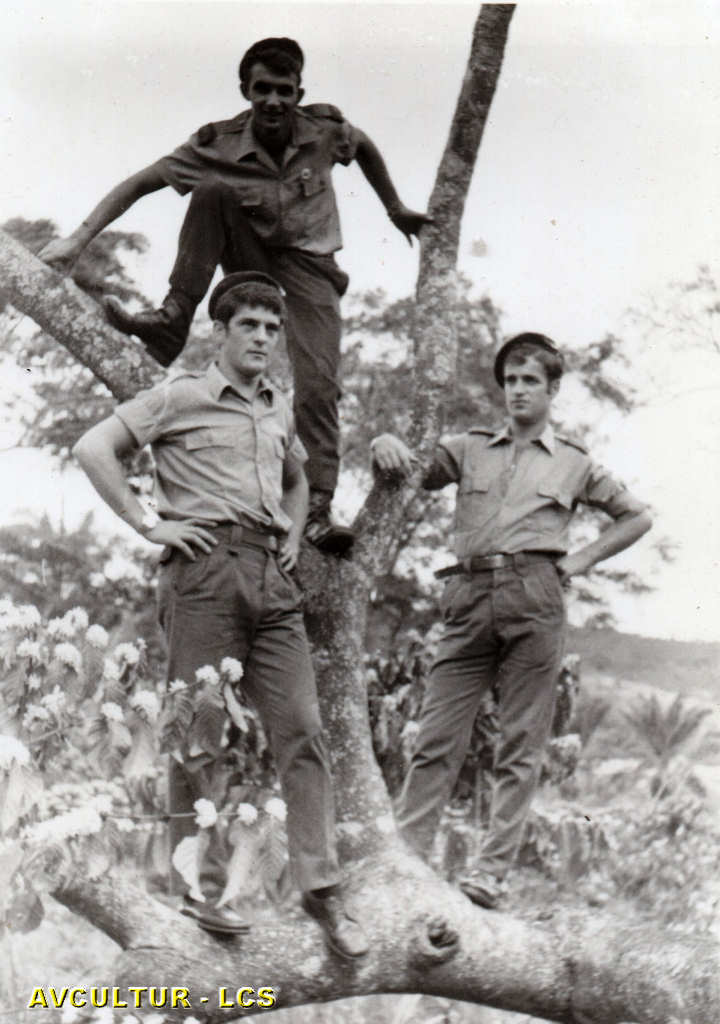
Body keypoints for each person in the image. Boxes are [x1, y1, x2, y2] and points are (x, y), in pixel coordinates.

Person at [72, 271, 368, 957]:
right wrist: (147, 524)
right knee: (198, 731)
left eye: (272, 327)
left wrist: (292, 533)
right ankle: (201, 889)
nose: (263, 338)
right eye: (249, 326)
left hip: (273, 578)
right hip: (203, 571)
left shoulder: (277, 405)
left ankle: (321, 888)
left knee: (303, 728)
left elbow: (295, 477)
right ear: (220, 332)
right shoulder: (181, 395)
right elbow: (93, 448)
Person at [42, 36, 431, 555]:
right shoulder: (218, 143)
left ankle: (316, 509)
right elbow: (140, 183)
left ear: (299, 93)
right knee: (211, 192)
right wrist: (77, 241)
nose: (273, 101)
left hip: (311, 269)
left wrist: (395, 208)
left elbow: (362, 148)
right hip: (253, 263)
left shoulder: (325, 129)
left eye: (284, 91)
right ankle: (173, 320)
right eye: (262, 89)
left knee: (319, 383)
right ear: (246, 90)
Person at [371, 332, 652, 909]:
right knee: (435, 735)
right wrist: (385, 442)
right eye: (511, 381)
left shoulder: (575, 462)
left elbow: (636, 517)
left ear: (553, 389)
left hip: (536, 596)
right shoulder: (469, 447)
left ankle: (491, 874)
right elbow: (413, 470)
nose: (518, 390)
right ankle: (406, 862)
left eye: (530, 381)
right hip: (468, 595)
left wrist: (576, 563)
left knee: (520, 741)